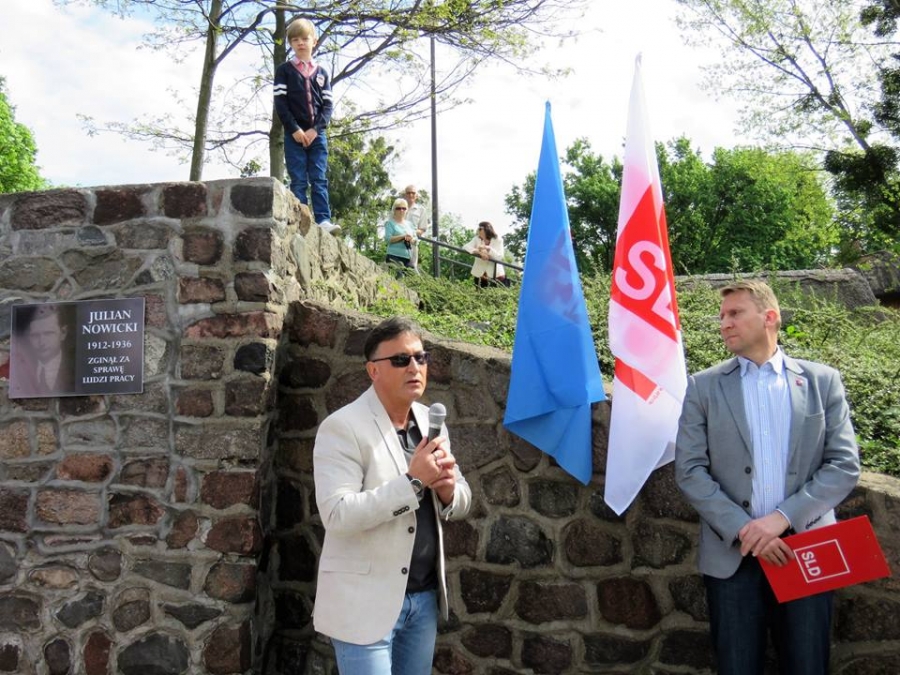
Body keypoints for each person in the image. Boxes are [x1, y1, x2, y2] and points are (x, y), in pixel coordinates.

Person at [674, 280, 860, 675]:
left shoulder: (821, 381)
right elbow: (689, 471)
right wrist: (747, 531)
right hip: (733, 558)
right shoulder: (703, 387)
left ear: (769, 317)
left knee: (807, 665)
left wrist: (781, 519)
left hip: (807, 550)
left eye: (735, 313)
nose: (724, 323)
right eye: (722, 316)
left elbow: (843, 464)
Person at [312, 316, 472, 674]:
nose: (414, 367)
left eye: (420, 357)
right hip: (364, 603)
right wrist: (413, 482)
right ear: (373, 370)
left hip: (423, 599)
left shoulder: (431, 421)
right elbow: (337, 515)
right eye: (400, 359)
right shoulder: (343, 427)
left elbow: (462, 498)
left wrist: (448, 491)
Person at [274, 18, 340, 236]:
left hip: (317, 135)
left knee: (319, 178)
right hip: (294, 135)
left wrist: (315, 129)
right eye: (295, 40)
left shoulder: (322, 73)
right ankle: (299, 220)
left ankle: (323, 220)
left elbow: (328, 106)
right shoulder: (284, 71)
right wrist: (295, 129)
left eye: (304, 38)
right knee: (299, 179)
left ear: (314, 41)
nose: (300, 43)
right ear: (290, 43)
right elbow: (281, 104)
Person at [11, 304, 76, 398]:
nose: (42, 342)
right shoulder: (20, 369)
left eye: (48, 333)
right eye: (35, 335)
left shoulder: (76, 370)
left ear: (63, 333)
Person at [463, 221, 506, 287]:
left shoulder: (498, 240)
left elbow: (499, 257)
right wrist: (479, 252)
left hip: (496, 274)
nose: (478, 230)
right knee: (480, 292)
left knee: (496, 292)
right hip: (480, 273)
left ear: (487, 229)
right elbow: (465, 247)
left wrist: (488, 249)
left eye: (480, 229)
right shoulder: (476, 239)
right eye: (478, 228)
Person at [383, 198, 416, 270]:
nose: (401, 210)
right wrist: (403, 237)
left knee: (412, 276)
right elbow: (388, 239)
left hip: (408, 257)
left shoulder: (410, 224)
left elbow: (415, 240)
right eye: (398, 208)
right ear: (394, 210)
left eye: (404, 208)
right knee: (398, 276)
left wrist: (411, 239)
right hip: (393, 256)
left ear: (407, 210)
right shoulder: (390, 223)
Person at [403, 185, 430, 271]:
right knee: (396, 269)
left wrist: (411, 232)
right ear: (405, 195)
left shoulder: (421, 210)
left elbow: (422, 229)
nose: (411, 195)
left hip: (412, 243)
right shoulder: (398, 208)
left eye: (413, 193)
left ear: (416, 196)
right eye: (408, 193)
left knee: (411, 269)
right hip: (397, 242)